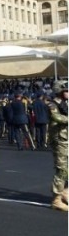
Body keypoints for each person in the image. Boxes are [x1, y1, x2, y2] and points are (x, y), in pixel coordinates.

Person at [47, 81, 68, 211]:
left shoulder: (65, 104)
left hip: (67, 140)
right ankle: (56, 199)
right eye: (66, 90)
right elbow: (56, 117)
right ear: (59, 91)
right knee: (61, 170)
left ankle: (66, 192)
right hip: (60, 141)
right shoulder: (52, 104)